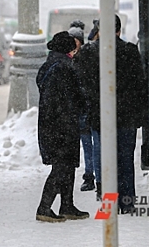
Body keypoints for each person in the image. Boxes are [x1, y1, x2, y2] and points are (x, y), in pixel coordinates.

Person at [76, 15, 147, 213]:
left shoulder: (88, 53)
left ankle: (109, 203)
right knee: (125, 159)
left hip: (101, 115)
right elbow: (140, 85)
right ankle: (127, 202)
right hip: (126, 116)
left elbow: (81, 83)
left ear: (99, 30)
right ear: (119, 30)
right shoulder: (130, 51)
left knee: (106, 160)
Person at [35, 31, 90, 222]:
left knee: (66, 165)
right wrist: (79, 107)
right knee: (61, 166)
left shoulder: (49, 65)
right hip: (63, 124)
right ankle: (44, 207)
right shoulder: (64, 68)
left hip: (52, 124)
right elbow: (71, 97)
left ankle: (67, 205)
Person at [68, 23, 95, 192]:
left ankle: (89, 175)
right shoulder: (71, 59)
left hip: (84, 108)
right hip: (76, 108)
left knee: (87, 144)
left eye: (75, 40)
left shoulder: (83, 58)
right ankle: (88, 174)